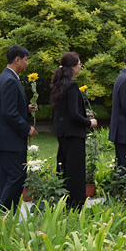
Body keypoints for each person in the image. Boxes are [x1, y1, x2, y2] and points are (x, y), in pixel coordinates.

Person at [0, 45, 37, 214]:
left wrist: (26, 107)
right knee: (17, 176)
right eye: (25, 60)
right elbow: (9, 113)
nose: (27, 64)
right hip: (10, 140)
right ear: (17, 59)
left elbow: (9, 107)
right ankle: (2, 213)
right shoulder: (10, 79)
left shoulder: (6, 77)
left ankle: (4, 218)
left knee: (6, 178)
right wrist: (27, 129)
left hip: (4, 139)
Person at [51, 52, 98, 209]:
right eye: (79, 64)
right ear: (72, 67)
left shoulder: (60, 84)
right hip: (74, 134)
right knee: (76, 172)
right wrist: (89, 122)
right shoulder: (71, 85)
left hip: (63, 133)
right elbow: (73, 114)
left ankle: (62, 202)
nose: (80, 67)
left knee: (64, 169)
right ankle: (76, 205)